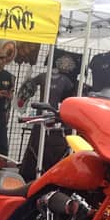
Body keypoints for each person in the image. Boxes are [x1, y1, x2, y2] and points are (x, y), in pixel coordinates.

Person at [15, 52, 79, 181]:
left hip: (53, 114)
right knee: (37, 139)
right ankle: (31, 167)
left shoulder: (64, 80)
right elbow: (29, 86)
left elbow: (71, 93)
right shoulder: (43, 76)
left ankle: (46, 166)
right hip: (41, 112)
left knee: (50, 141)